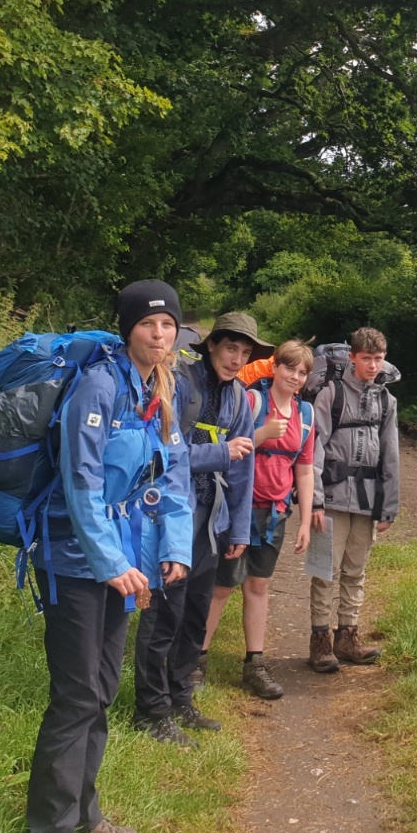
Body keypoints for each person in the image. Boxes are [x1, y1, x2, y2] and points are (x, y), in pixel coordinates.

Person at [26, 280, 193, 833]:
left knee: (101, 690)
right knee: (75, 696)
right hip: (75, 561)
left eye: (168, 325)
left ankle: (85, 812)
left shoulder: (160, 389)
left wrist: (176, 547)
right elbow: (82, 483)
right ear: (128, 329)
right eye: (148, 324)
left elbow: (174, 474)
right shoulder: (98, 385)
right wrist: (111, 563)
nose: (159, 334)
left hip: (124, 564)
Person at [132, 311, 262, 746]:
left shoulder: (239, 398)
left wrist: (239, 530)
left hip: (210, 521)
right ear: (212, 346)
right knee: (162, 615)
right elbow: (160, 453)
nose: (236, 359)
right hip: (170, 518)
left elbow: (243, 469)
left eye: (244, 353)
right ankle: (150, 711)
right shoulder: (179, 383)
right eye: (230, 349)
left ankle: (180, 698)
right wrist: (220, 453)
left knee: (194, 614)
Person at [201, 339, 318, 698]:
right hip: (238, 508)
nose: (295, 377)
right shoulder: (251, 401)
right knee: (222, 586)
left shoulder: (305, 415)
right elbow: (229, 448)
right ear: (274, 367)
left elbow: (304, 470)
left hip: (274, 514)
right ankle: (195, 661)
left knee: (259, 586)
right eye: (289, 368)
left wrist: (304, 521)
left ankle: (255, 663)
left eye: (302, 372)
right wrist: (263, 434)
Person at [307, 327, 401, 674]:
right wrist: (314, 502)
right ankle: (320, 640)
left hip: (367, 499)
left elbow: (391, 455)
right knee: (324, 570)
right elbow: (314, 450)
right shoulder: (330, 394)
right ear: (352, 358)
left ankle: (347, 636)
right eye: (366, 358)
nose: (373, 365)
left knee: (355, 570)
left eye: (378, 358)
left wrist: (389, 506)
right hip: (331, 497)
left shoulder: (387, 401)